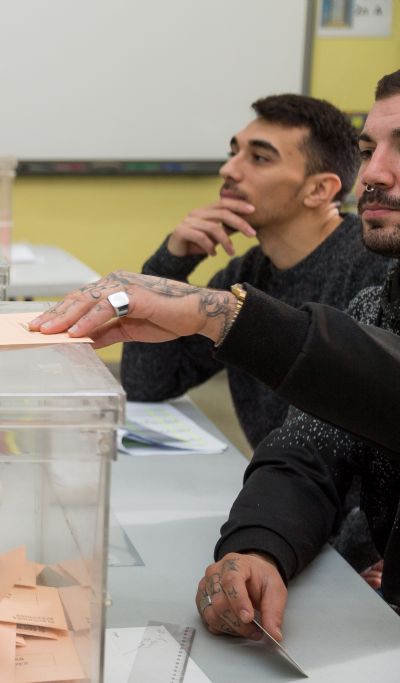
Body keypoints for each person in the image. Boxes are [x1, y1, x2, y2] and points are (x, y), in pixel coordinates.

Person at [30, 69, 400, 641]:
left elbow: (369, 381)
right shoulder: (300, 279)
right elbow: (311, 442)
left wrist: (222, 314)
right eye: (368, 150)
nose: (372, 173)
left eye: (258, 157)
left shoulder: (363, 271)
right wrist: (259, 546)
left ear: (320, 189)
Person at [120, 94, 391, 449]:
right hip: (279, 490)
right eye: (234, 153)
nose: (229, 170)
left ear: (319, 190)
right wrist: (169, 265)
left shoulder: (376, 269)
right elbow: (148, 384)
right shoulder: (248, 273)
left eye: (259, 158)